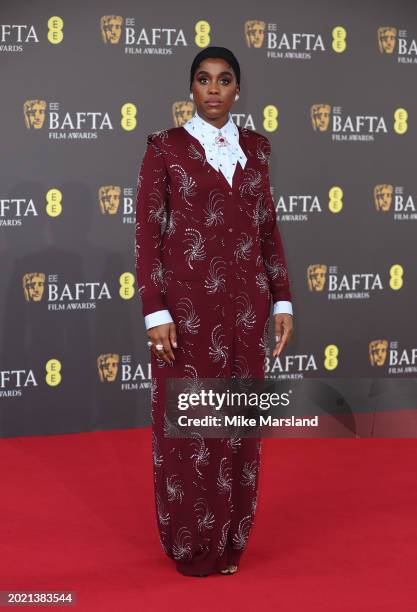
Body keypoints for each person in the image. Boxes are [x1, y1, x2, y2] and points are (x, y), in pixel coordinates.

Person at [135, 46, 294, 577]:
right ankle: (190, 544)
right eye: (203, 80)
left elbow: (268, 232)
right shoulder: (165, 149)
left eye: (224, 80)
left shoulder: (257, 149)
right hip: (187, 313)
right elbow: (147, 238)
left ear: (237, 90)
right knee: (191, 429)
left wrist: (283, 300)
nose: (213, 89)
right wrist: (155, 313)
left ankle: (230, 543)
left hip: (246, 312)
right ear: (191, 88)